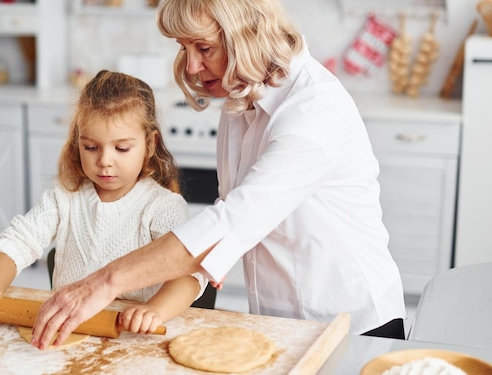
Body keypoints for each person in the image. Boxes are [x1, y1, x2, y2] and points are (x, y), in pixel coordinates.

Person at [30, 0, 406, 350]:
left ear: (247, 34)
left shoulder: (313, 111)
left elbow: (230, 222)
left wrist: (103, 282)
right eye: (183, 48)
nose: (191, 66)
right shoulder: (241, 99)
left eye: (204, 48)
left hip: (354, 324)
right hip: (280, 321)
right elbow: (231, 212)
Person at [0, 70, 207, 336]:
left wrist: (155, 310)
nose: (105, 161)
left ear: (150, 144)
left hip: (132, 335)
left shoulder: (162, 207)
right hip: (69, 329)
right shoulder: (65, 197)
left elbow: (190, 273)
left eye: (121, 149)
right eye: (91, 147)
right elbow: (18, 240)